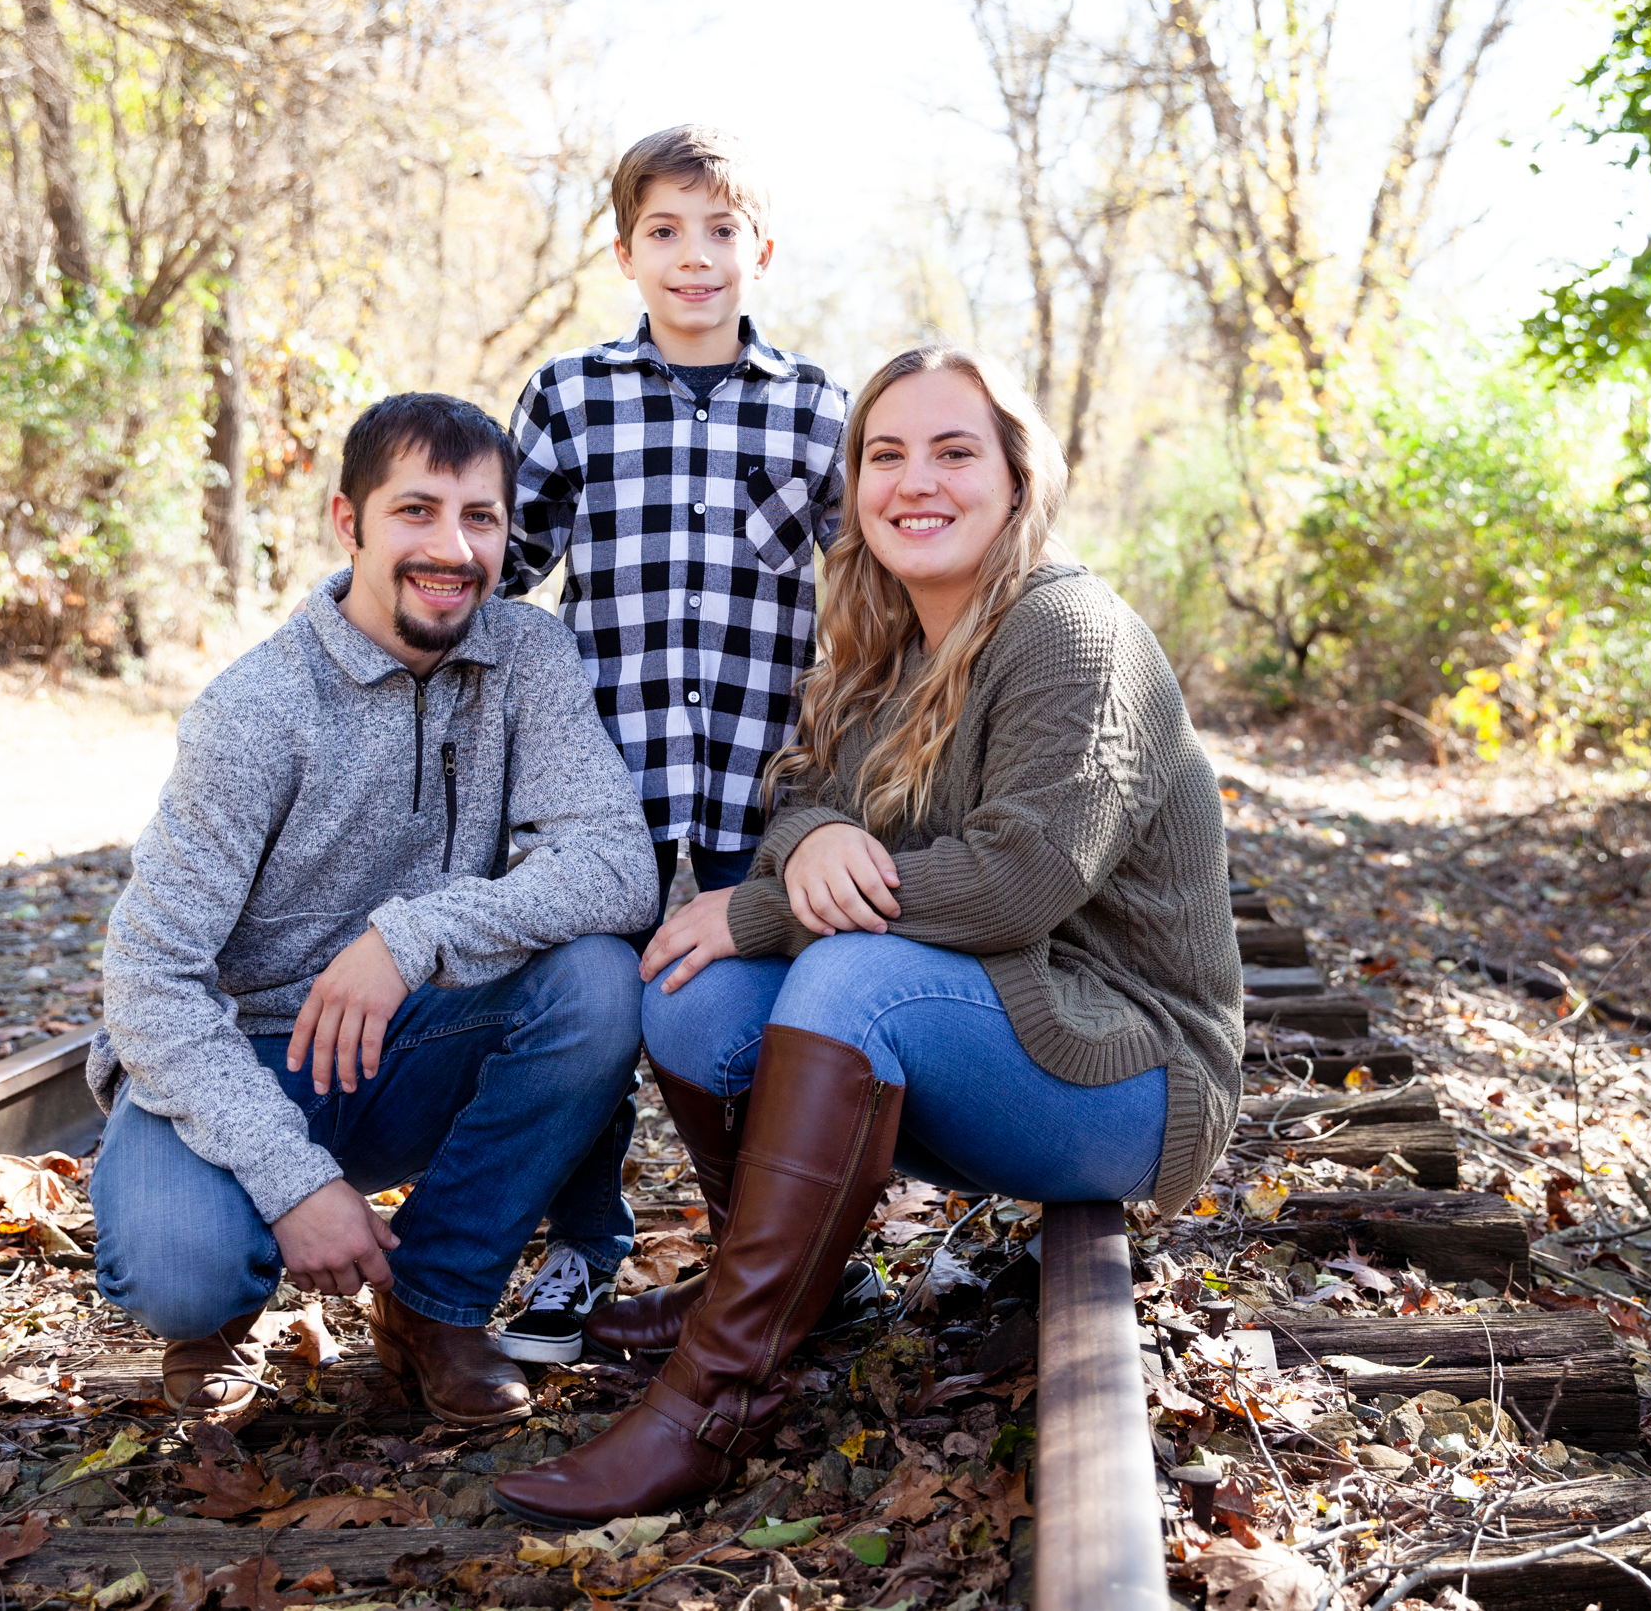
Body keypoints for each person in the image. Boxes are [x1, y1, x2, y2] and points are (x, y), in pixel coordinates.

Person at [493, 346, 1243, 1523]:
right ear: (851, 486)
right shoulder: (887, 639)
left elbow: (1015, 884)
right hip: (993, 1035)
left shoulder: (1071, 634)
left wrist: (762, 897)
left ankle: (714, 1400)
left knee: (841, 976)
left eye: (953, 451)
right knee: (689, 988)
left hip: (1122, 1067)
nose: (914, 481)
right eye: (884, 454)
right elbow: (800, 792)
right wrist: (807, 842)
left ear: (1016, 476)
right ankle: (793, 1284)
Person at [90, 393, 658, 1422]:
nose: (452, 548)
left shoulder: (525, 659)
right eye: (417, 512)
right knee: (180, 1267)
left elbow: (617, 866)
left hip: (417, 1043)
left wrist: (411, 933)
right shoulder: (256, 711)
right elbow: (146, 975)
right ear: (348, 521)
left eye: (479, 517)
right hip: (252, 1052)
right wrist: (293, 1178)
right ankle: (222, 1304)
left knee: (599, 982)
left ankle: (433, 1303)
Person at [493, 125, 850, 1362]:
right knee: (587, 1004)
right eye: (664, 231)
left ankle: (771, 1252)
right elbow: (499, 569)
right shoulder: (570, 397)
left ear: (760, 249)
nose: (692, 258)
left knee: (746, 1012)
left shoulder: (815, 410)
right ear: (624, 251)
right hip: (602, 773)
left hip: (764, 772)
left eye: (717, 231)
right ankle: (580, 1248)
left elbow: (873, 586)